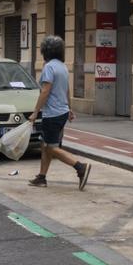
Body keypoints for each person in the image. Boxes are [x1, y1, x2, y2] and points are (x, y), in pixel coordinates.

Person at [28, 35, 91, 190]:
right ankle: (42, 177)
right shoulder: (62, 67)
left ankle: (80, 167)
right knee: (46, 145)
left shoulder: (49, 67)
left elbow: (45, 91)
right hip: (61, 112)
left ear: (46, 51)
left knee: (50, 147)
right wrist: (69, 108)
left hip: (52, 114)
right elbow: (66, 89)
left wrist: (35, 112)